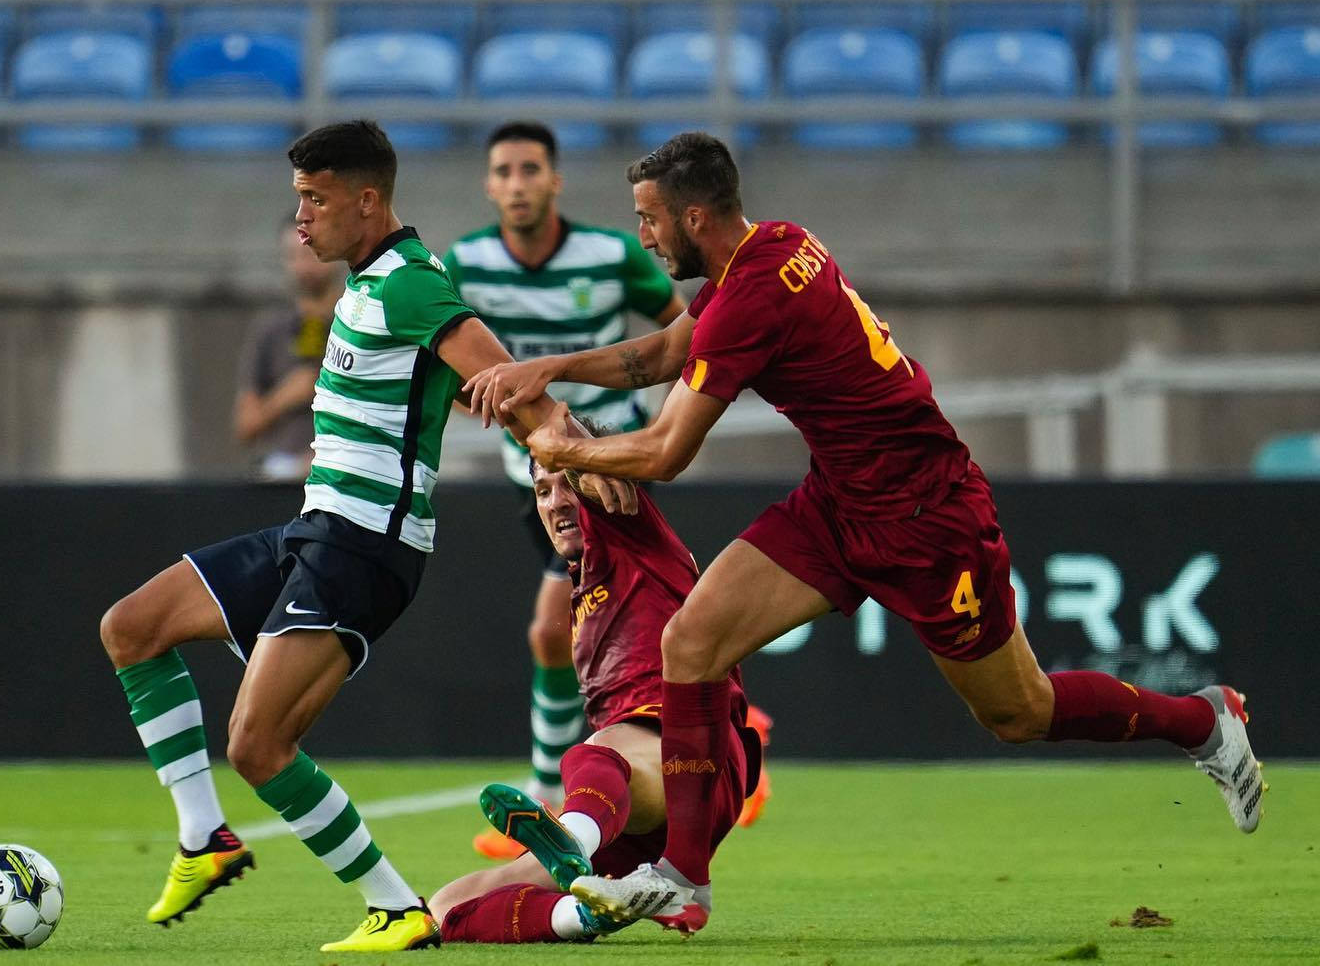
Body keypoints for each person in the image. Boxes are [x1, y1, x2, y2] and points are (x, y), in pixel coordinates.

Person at [464, 131, 1267, 933]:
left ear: (695, 215)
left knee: (1019, 711)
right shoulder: (770, 246)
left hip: (928, 516)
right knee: (691, 642)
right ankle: (684, 877)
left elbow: (666, 452)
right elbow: (668, 350)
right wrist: (552, 370)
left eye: (649, 219)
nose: (643, 234)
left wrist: (559, 445)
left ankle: (1202, 718)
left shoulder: (753, 295)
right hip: (841, 503)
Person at [97, 120, 627, 955]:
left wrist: (575, 462)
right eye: (298, 199)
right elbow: (450, 387)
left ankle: (396, 906)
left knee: (258, 744)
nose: (300, 220)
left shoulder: (411, 283)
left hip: (365, 545)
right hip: (316, 528)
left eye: (314, 199)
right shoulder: (367, 285)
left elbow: (509, 386)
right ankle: (204, 838)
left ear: (366, 200)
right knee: (132, 627)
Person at [444, 121, 686, 856]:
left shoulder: (611, 256)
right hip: (536, 475)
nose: (516, 182)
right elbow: (447, 364)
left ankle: (553, 795)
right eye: (504, 170)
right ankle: (701, 741)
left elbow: (685, 334)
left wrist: (661, 433)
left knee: (556, 625)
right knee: (607, 628)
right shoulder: (466, 264)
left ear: (555, 180)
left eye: (530, 169)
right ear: (490, 185)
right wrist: (482, 402)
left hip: (611, 473)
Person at [427, 458, 759, 943]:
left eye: (568, 487)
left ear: (608, 486)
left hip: (693, 758)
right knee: (446, 909)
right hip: (625, 808)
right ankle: (586, 914)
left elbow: (566, 439)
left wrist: (515, 386)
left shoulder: (631, 536)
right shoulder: (583, 583)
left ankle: (572, 842)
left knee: (594, 751)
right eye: (541, 491)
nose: (555, 502)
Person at [233, 216, 345, 480]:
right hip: (282, 473)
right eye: (292, 256)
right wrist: (286, 396)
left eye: (309, 253)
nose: (302, 266)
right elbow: (245, 426)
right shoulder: (271, 331)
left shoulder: (360, 325)